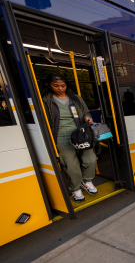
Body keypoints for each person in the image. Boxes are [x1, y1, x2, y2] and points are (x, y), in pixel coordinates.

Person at [42, 73, 97, 203]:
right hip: (60, 135)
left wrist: (87, 118)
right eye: (56, 86)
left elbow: (85, 112)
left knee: (91, 159)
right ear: (49, 86)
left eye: (63, 85)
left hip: (80, 133)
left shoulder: (76, 98)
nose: (60, 88)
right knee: (71, 165)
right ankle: (75, 188)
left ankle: (87, 181)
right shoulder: (45, 100)